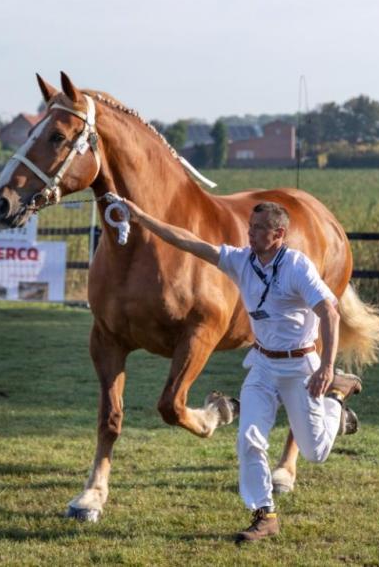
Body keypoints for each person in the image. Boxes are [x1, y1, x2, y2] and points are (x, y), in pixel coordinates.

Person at [120, 198, 362, 544]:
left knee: (315, 452)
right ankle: (265, 515)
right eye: (250, 227)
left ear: (279, 234)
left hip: (300, 367)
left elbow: (330, 312)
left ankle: (336, 395)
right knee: (248, 440)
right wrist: (142, 217)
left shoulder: (296, 266)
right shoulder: (241, 260)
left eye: (259, 229)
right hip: (262, 366)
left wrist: (326, 367)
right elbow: (189, 242)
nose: (250, 234)